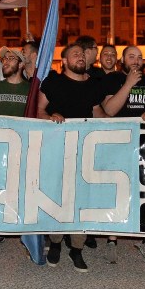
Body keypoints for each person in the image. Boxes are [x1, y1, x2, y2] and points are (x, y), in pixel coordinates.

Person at [37, 43, 106, 273]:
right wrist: (50, 117)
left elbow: (99, 114)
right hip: (57, 149)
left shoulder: (94, 85)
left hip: (84, 150)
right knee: (58, 195)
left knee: (81, 199)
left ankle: (77, 248)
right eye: (74, 54)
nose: (80, 56)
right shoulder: (53, 82)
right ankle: (56, 242)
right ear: (64, 61)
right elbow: (39, 111)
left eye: (82, 54)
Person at [101, 47, 145, 263]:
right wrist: (128, 84)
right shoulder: (112, 79)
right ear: (122, 60)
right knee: (118, 189)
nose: (136, 60)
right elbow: (109, 110)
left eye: (139, 57)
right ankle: (112, 240)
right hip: (118, 141)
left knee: (144, 189)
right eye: (131, 57)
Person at [0, 47, 30, 260]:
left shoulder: (31, 90)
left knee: (20, 191)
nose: (5, 61)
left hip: (22, 149)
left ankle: (26, 234)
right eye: (4, 58)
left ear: (21, 64)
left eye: (11, 58)